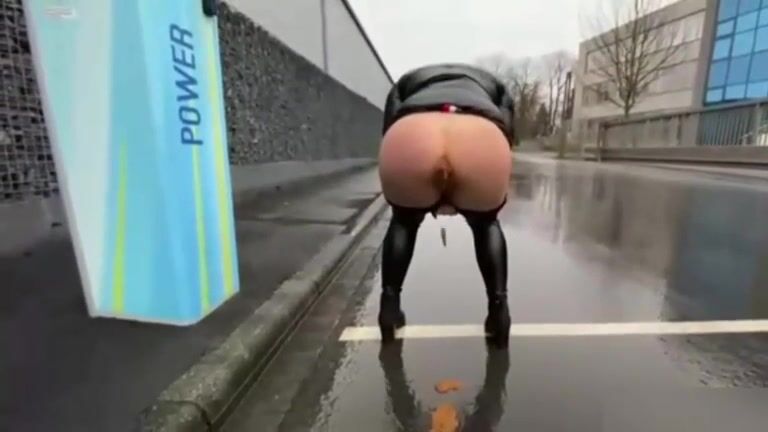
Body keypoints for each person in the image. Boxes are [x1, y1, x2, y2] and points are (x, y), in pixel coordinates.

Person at [377, 62, 515, 346]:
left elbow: (389, 123)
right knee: (486, 225)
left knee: (403, 222)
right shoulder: (494, 85)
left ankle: (389, 308)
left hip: (414, 130)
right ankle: (499, 312)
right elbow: (508, 126)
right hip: (479, 133)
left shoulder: (407, 81)